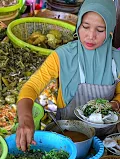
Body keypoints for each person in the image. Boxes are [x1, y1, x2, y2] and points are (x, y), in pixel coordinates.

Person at [16, 0, 120, 151]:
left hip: (106, 143)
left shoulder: (116, 60)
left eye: (100, 29)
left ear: (110, 29)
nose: (91, 36)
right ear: (78, 25)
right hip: (65, 139)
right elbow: (31, 86)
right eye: (85, 27)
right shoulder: (62, 56)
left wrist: (114, 104)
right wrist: (25, 119)